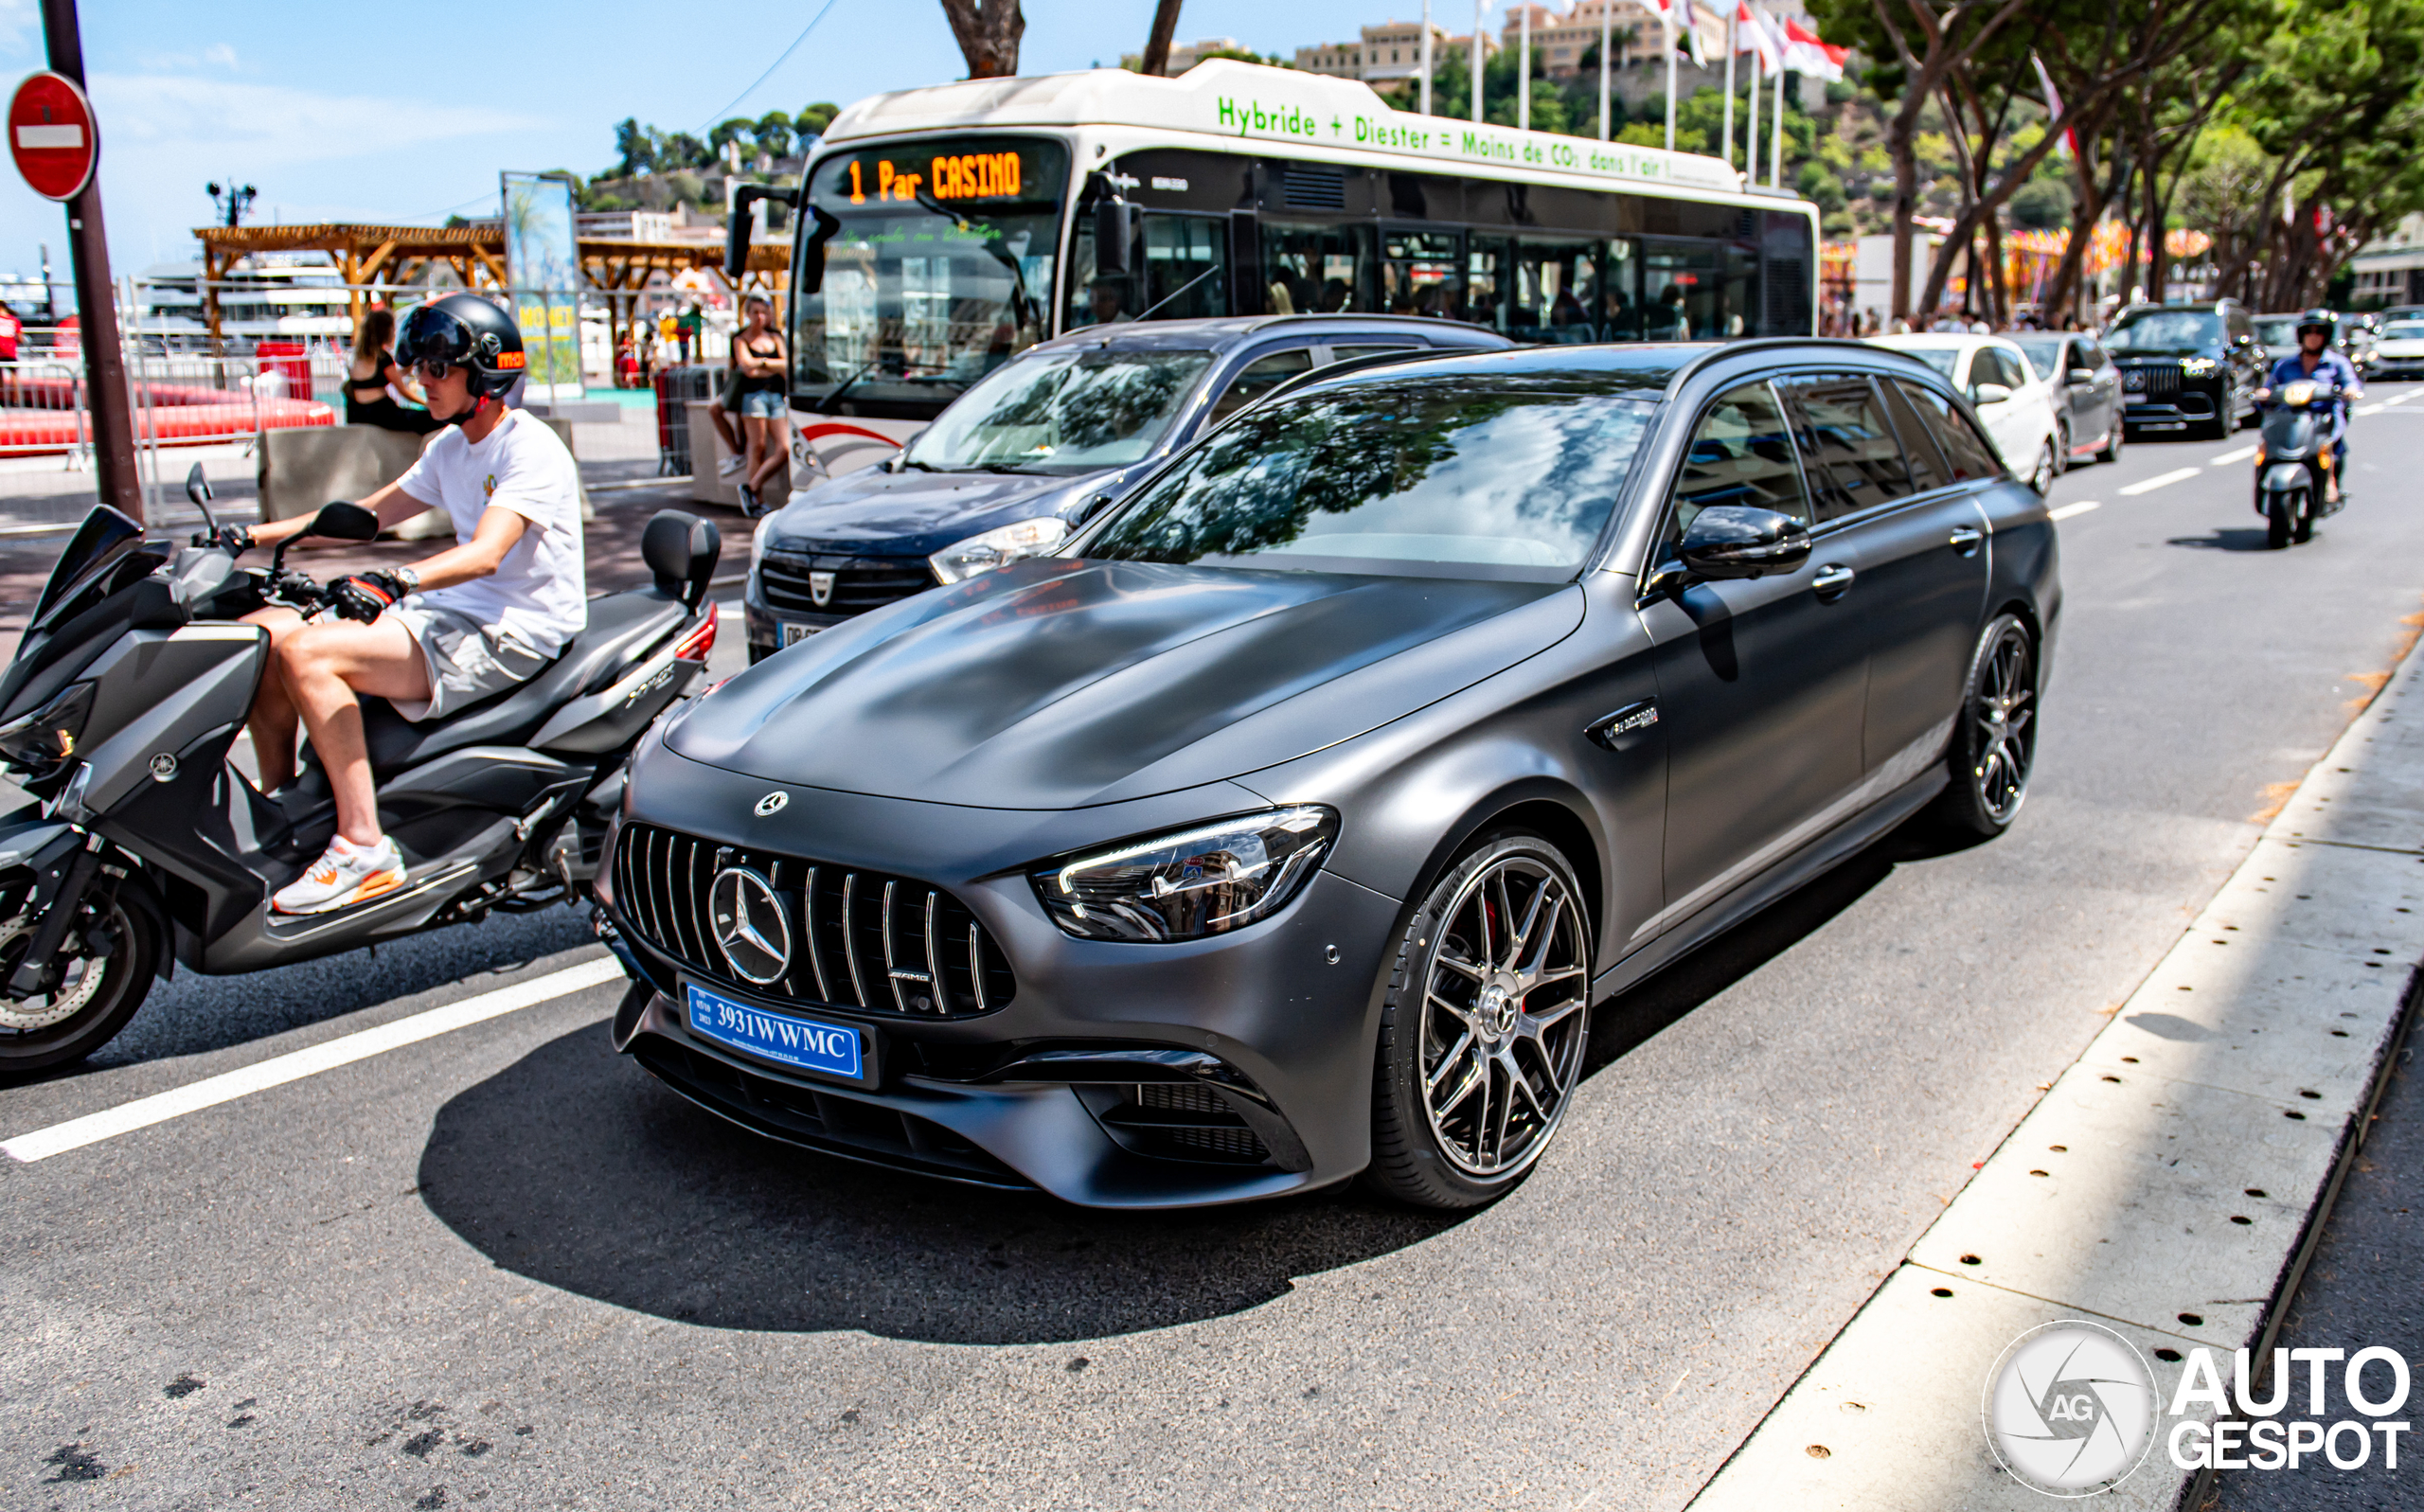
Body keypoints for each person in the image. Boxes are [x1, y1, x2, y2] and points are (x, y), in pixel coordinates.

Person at [238, 294, 587, 914]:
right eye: (418, 366)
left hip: (509, 630)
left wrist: (396, 579)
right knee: (270, 633)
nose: (421, 380)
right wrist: (252, 538)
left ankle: (363, 845)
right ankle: (283, 809)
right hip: (451, 614)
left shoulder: (526, 448)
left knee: (311, 655)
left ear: (482, 371)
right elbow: (370, 514)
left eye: (437, 368)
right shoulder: (450, 446)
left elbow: (486, 553)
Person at [2255, 308, 2363, 507]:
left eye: (2318, 332)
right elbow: (2269, 387)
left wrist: (2350, 391)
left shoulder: (2337, 363)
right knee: (2266, 443)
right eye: (2308, 332)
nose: (2313, 337)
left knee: (2327, 440)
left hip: (2322, 418)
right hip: (2288, 418)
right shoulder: (2284, 365)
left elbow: (2351, 383)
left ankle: (2329, 481)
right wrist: (2263, 393)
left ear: (2326, 336)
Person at [731, 293, 790, 514]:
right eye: (755, 312)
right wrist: (770, 365)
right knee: (758, 447)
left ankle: (751, 487)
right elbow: (747, 368)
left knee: (784, 448)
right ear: (747, 314)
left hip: (775, 396)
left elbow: (787, 366)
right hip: (753, 396)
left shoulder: (774, 337)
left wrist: (761, 363)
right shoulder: (740, 339)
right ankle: (756, 500)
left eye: (763, 312)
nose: (759, 317)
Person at [343, 307, 441, 436]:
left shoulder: (357, 356)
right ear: (385, 331)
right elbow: (402, 391)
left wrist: (408, 367)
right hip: (381, 413)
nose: (394, 332)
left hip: (358, 413)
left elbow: (378, 379)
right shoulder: (383, 357)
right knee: (433, 419)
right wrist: (426, 404)